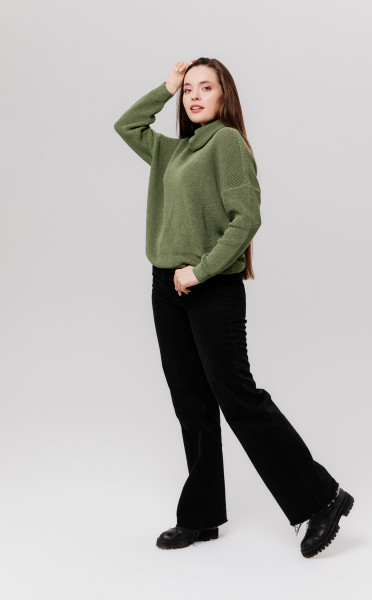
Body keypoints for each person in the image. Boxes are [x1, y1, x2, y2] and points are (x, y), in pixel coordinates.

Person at [113, 57, 354, 558]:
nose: (194, 96)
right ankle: (200, 517)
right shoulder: (172, 152)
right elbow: (127, 125)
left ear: (225, 96)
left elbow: (246, 219)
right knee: (191, 404)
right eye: (189, 89)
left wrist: (199, 271)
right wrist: (166, 86)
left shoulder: (227, 143)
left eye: (206, 87)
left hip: (211, 287)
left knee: (238, 397)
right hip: (166, 287)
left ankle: (321, 498)